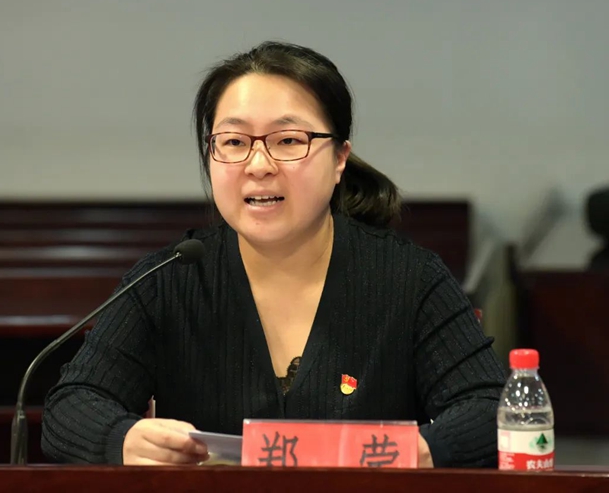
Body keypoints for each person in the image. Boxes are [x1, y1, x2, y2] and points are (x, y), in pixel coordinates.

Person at [41, 41, 506, 467]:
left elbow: (490, 410)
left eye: (288, 141)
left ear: (339, 158)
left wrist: (418, 451)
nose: (259, 165)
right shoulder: (167, 280)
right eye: (234, 142)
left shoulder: (409, 279)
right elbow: (70, 407)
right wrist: (122, 438)